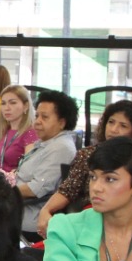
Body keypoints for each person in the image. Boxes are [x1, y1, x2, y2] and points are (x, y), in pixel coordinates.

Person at [35, 98, 132, 237]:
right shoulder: (87, 154)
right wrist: (45, 210)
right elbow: (67, 191)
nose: (113, 129)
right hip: (94, 217)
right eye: (111, 122)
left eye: (123, 125)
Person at [12, 89, 79, 233]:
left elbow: (35, 189)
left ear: (62, 122)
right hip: (16, 204)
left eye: (45, 117)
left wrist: (1, 190)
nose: (37, 122)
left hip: (29, 213)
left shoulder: (61, 147)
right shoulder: (46, 142)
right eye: (37, 116)